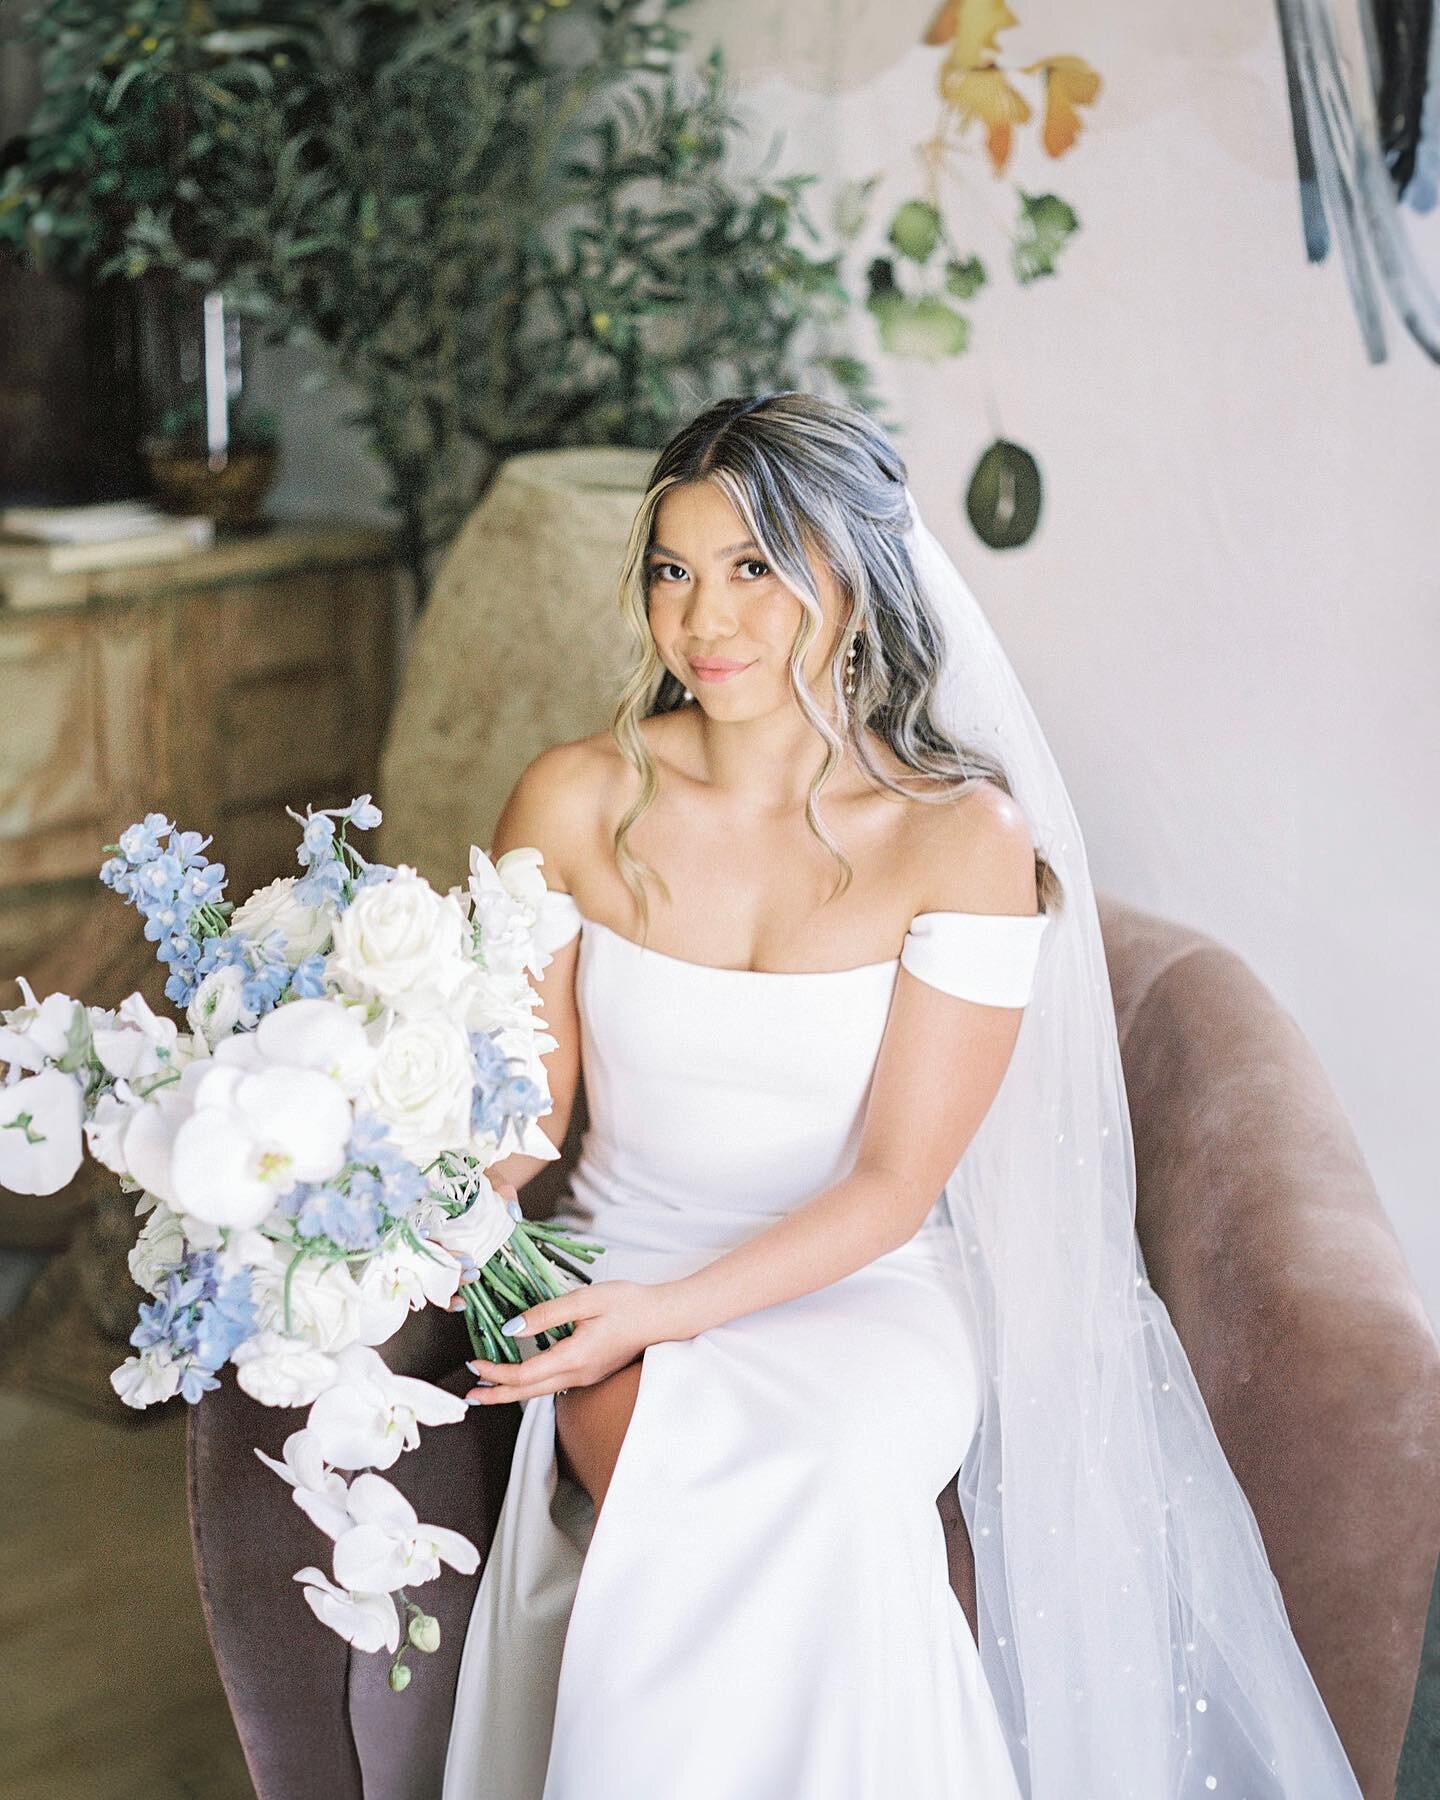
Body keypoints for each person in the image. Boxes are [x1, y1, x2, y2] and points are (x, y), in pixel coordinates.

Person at [441, 392, 1362, 1799]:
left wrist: (663, 1316)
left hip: (861, 1291)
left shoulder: (960, 837)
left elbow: (890, 1188)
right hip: (622, 1263)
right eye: (674, 571)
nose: (707, 619)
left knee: (814, 1483)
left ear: (859, 583)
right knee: (679, 1479)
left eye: (756, 567)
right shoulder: (571, 798)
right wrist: (402, 1196)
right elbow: (527, 1121)